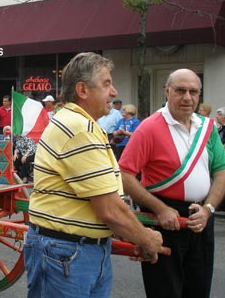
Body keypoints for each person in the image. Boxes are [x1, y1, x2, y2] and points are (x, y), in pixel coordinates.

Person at [24, 52, 164, 298]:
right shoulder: (80, 128)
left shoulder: (81, 124)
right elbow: (109, 209)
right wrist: (145, 239)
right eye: (106, 83)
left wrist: (134, 234)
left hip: (74, 251)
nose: (114, 92)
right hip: (69, 253)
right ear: (82, 90)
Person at [119, 69, 225, 298]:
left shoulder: (208, 128)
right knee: (164, 291)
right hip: (162, 220)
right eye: (180, 90)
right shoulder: (149, 128)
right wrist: (160, 208)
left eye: (193, 91)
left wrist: (209, 209)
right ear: (167, 91)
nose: (187, 97)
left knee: (198, 291)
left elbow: (221, 171)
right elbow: (125, 174)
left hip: (201, 218)